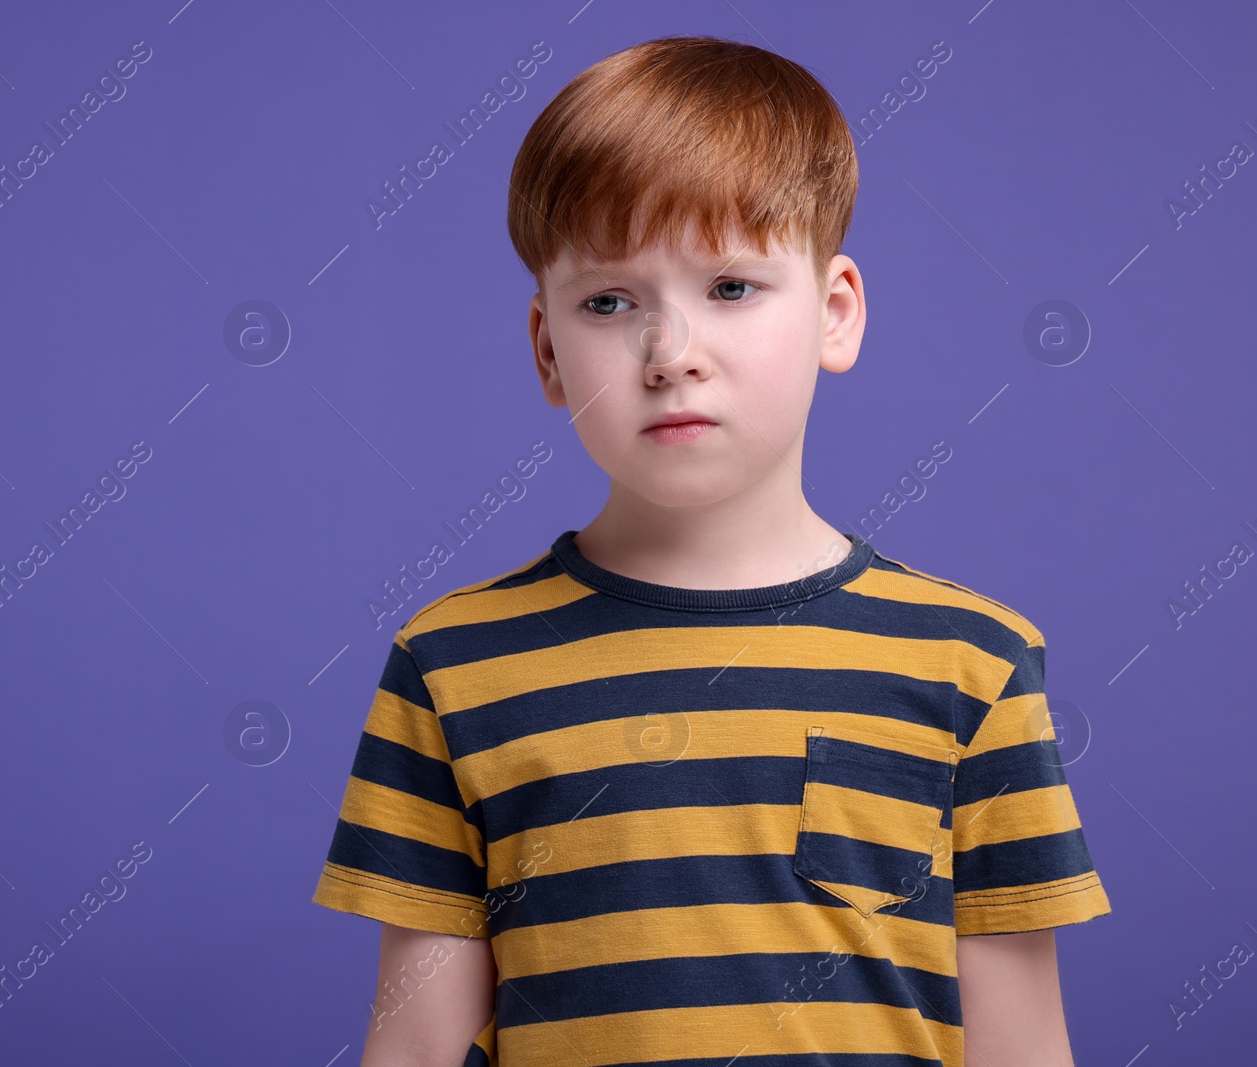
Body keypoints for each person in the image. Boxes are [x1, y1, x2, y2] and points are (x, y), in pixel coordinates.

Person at [312, 35, 1110, 1067]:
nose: (670, 352)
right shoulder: (449, 665)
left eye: (730, 286)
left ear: (833, 311)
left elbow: (1021, 1049)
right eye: (609, 300)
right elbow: (415, 1048)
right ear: (548, 350)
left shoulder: (974, 662)